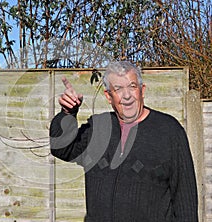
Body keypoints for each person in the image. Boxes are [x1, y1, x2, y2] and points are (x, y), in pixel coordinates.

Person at [49, 61, 198, 221]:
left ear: (142, 90)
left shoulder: (169, 130)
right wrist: (67, 114)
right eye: (118, 89)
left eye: (132, 86)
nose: (127, 96)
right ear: (108, 96)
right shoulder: (98, 127)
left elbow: (185, 199)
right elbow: (61, 148)